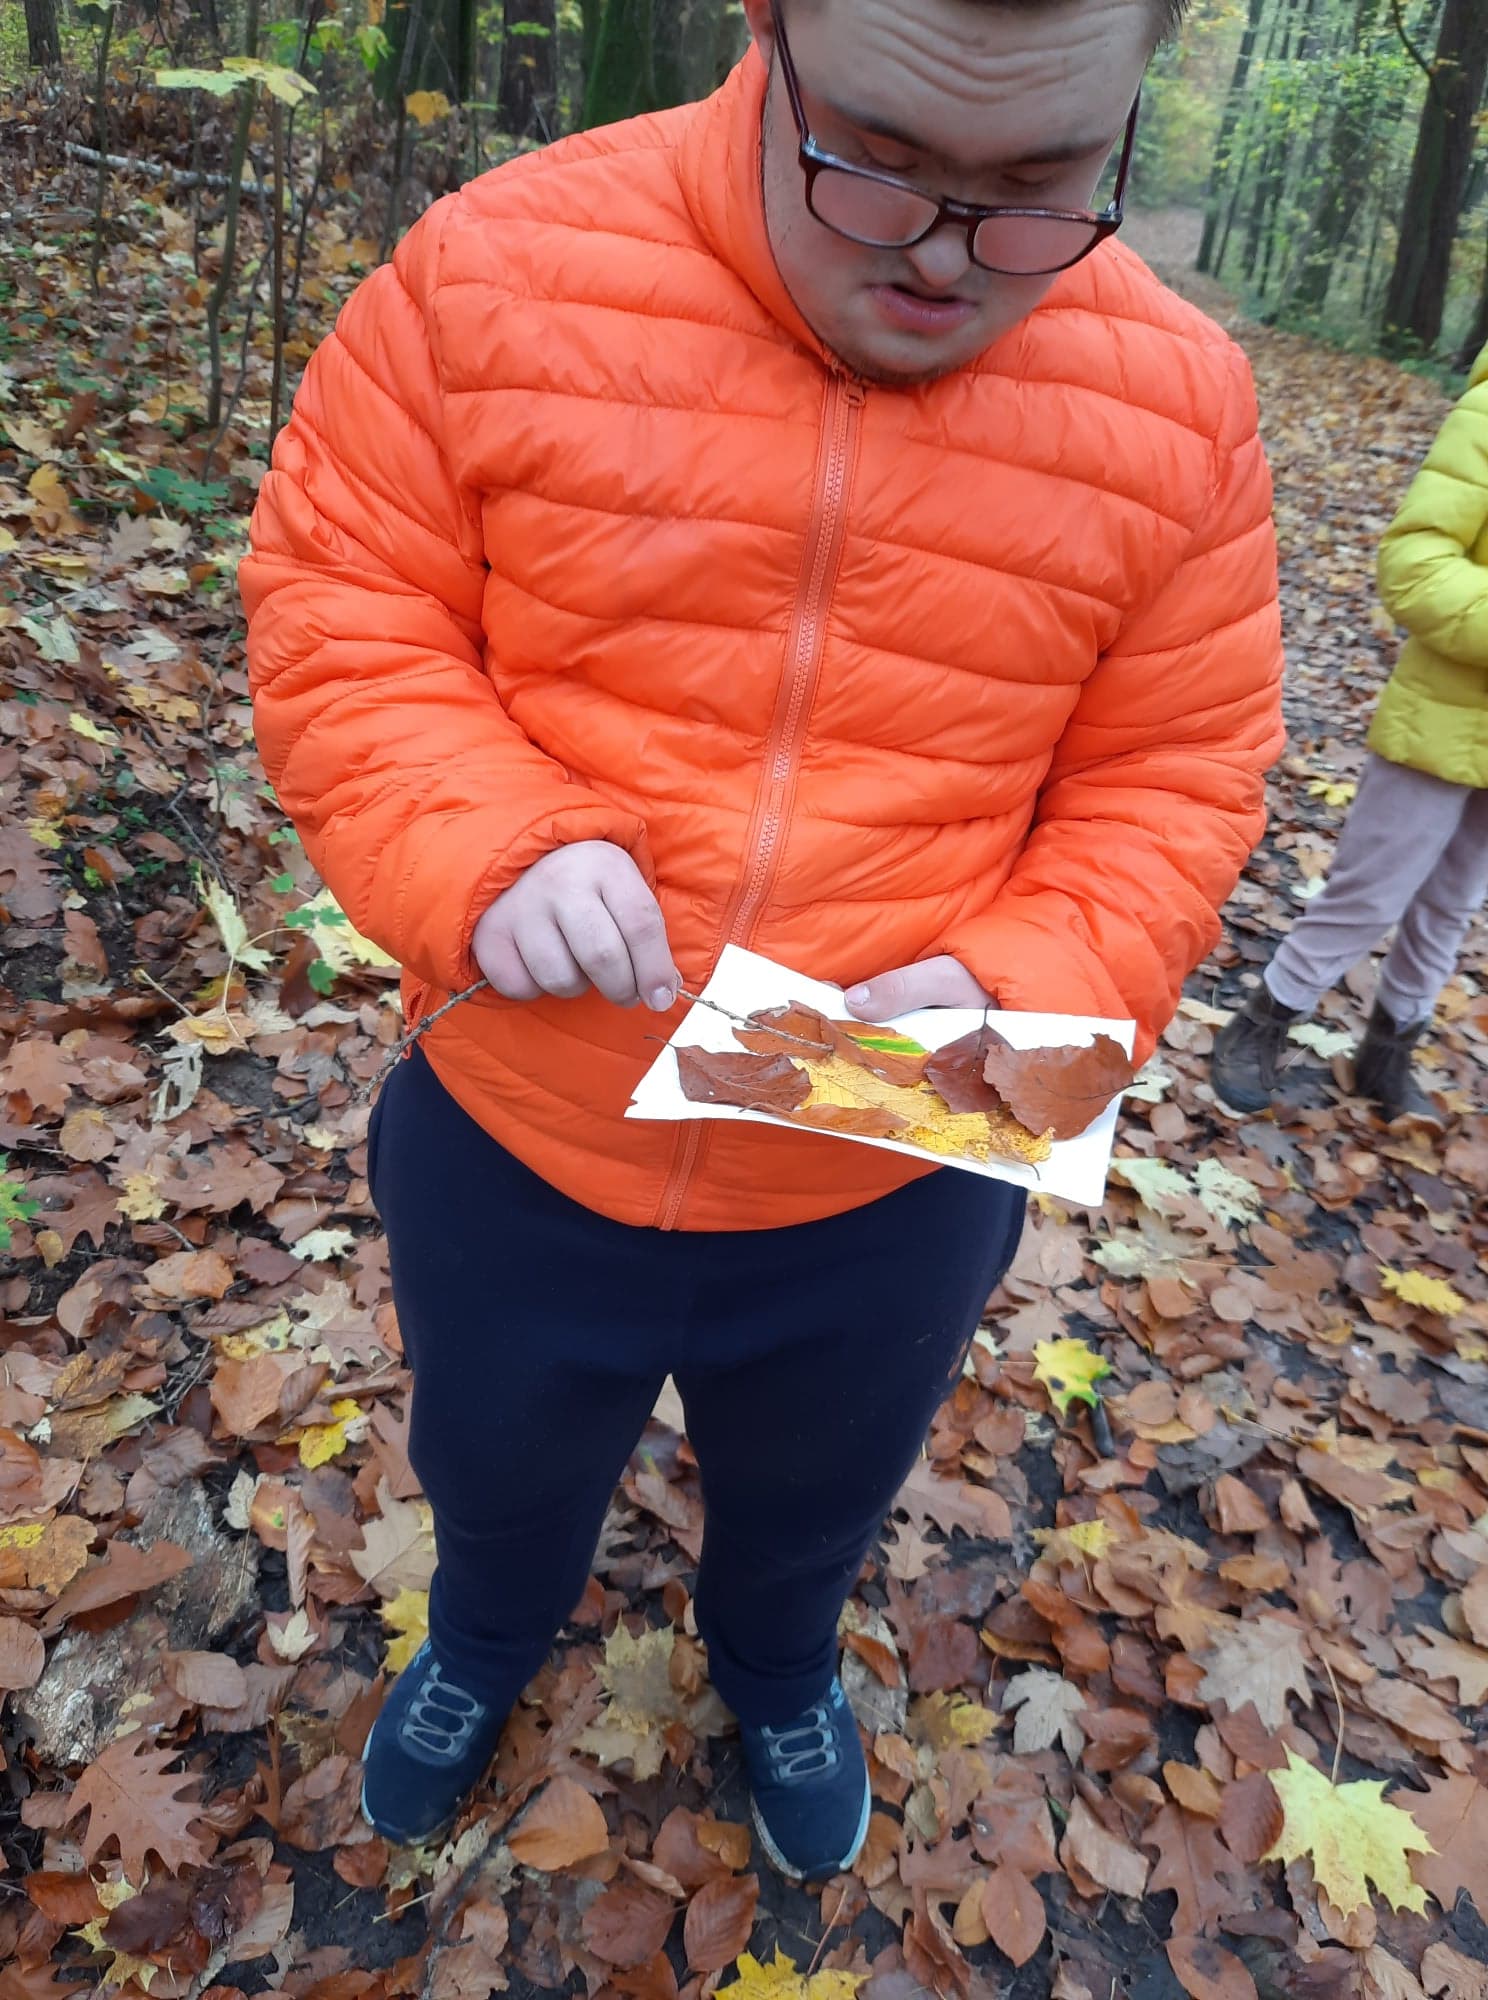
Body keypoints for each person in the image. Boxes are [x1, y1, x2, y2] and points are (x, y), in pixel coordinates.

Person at [240, 0, 1284, 1878]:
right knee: (494, 1466)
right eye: (875, 161)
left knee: (819, 1489)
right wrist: (482, 834)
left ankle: (780, 1665)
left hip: (892, 1149)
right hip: (519, 1121)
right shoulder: (496, 267)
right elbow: (345, 598)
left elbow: (1179, 769)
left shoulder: (1179, 403)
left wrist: (1033, 983)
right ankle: (483, 1639)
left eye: (1038, 183)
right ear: (768, 30)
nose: (945, 258)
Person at [1211, 341, 1488, 1123]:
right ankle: (1266, 1016)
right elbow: (1414, 565)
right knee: (1370, 892)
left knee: (1453, 903)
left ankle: (1389, 1049)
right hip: (1440, 715)